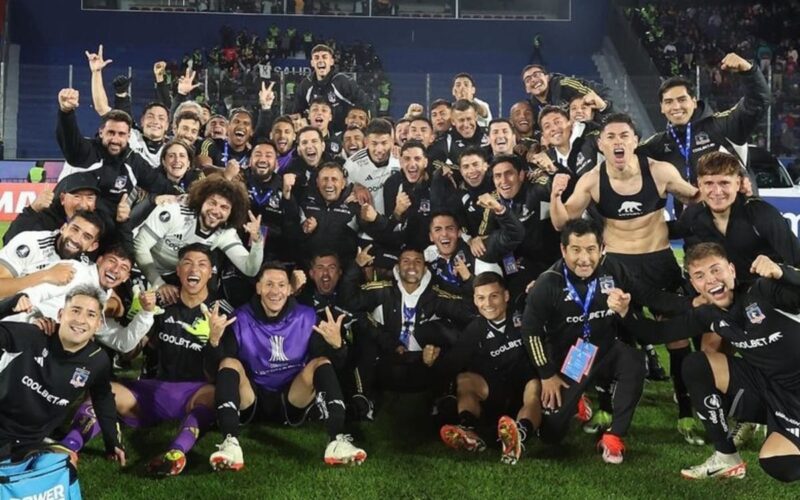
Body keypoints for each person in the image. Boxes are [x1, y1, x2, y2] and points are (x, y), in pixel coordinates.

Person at [550, 113, 702, 443]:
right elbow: (563, 222)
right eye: (610, 137)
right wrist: (555, 195)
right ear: (601, 144)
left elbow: (695, 196)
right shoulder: (592, 179)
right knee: (612, 339)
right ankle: (606, 407)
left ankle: (686, 414)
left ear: (635, 140)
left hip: (658, 263)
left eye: (624, 135)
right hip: (616, 265)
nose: (618, 141)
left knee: (677, 339)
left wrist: (731, 186)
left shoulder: (660, 171)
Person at [607, 243, 800, 482]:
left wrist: (783, 273)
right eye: (700, 275)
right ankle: (727, 457)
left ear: (731, 269)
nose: (710, 280)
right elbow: (655, 334)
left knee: (786, 465)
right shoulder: (708, 314)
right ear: (694, 284)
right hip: (773, 391)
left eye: (716, 269)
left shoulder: (765, 290)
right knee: (696, 365)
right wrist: (626, 312)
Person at [521, 219, 691, 464]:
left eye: (591, 249)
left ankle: (614, 436)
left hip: (606, 350)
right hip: (571, 359)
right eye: (576, 250)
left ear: (602, 248)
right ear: (563, 250)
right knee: (551, 434)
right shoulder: (549, 282)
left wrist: (692, 303)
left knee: (634, 360)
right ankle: (579, 402)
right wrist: (547, 374)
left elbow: (649, 296)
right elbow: (530, 331)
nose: (584, 259)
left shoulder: (613, 269)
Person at [61, 244, 226, 477]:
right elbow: (130, 354)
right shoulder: (162, 307)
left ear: (210, 272)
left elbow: (220, 373)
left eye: (202, 264)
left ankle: (176, 453)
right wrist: (140, 315)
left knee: (213, 393)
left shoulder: (222, 312)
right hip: (154, 390)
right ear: (178, 270)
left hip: (196, 391)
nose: (193, 269)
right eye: (187, 263)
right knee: (105, 392)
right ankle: (68, 447)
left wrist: (214, 341)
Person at [208, 262, 367, 469]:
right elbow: (216, 371)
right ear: (258, 288)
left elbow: (334, 366)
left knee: (321, 361)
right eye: (269, 284)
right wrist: (213, 342)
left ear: (290, 289)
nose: (275, 291)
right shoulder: (240, 318)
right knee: (229, 362)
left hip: (292, 399)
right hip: (251, 400)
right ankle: (230, 443)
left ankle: (337, 440)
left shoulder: (307, 316)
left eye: (281, 285)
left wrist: (338, 346)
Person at [0, 286, 125, 464]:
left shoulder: (97, 361)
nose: (81, 320)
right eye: (75, 310)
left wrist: (112, 441)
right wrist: (7, 305)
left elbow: (102, 397)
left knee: (68, 463)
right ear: (60, 314)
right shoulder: (33, 335)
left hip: (30, 441)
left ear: (98, 325)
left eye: (91, 314)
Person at [434, 272, 540, 465]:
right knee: (464, 380)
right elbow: (451, 364)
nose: (488, 304)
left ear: (506, 296)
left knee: (534, 387)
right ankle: (468, 430)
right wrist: (432, 363)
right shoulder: (476, 329)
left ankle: (519, 435)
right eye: (481, 298)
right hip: (496, 391)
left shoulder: (524, 313)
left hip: (525, 386)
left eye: (494, 296)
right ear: (475, 300)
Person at [638, 53, 769, 189]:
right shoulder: (658, 145)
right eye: (669, 102)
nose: (676, 107)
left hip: (736, 209)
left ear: (694, 102)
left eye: (682, 100)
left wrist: (749, 71)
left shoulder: (723, 126)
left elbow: (758, 102)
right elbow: (624, 159)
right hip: (688, 211)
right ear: (662, 108)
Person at [133, 174, 263, 305]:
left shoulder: (226, 233)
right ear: (201, 201)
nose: (216, 211)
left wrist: (257, 242)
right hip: (140, 265)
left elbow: (249, 269)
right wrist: (158, 283)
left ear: (231, 213)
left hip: (177, 274)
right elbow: (139, 245)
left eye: (224, 207)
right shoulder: (174, 211)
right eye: (212, 203)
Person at [0, 210, 104, 300]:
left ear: (92, 246)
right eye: (74, 229)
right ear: (63, 228)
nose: (76, 239)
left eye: (86, 237)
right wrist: (46, 275)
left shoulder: (85, 268)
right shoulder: (30, 242)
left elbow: (111, 301)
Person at [293, 44, 373, 133]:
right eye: (316, 58)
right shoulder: (305, 85)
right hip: (317, 136)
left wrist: (371, 129)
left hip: (343, 136)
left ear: (331, 61)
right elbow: (296, 112)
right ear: (312, 63)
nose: (320, 60)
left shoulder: (342, 81)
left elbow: (366, 103)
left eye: (324, 57)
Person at [3, 171, 99, 246]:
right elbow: (10, 243)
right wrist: (31, 210)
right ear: (62, 199)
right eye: (76, 196)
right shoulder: (45, 221)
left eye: (89, 198)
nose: (83, 204)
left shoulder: (100, 225)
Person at [521, 64, 610, 134]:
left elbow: (600, 93)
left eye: (537, 75)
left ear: (547, 77)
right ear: (527, 89)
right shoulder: (533, 109)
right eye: (528, 80)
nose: (533, 80)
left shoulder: (565, 85)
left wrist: (604, 106)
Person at [344, 118, 401, 215]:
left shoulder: (400, 159)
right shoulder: (352, 165)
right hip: (365, 224)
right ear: (366, 142)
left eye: (384, 143)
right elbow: (341, 188)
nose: (379, 149)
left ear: (392, 141)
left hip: (396, 221)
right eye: (374, 143)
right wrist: (353, 187)